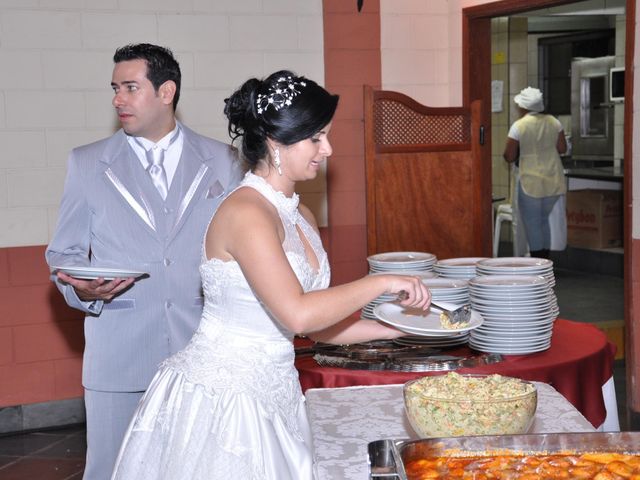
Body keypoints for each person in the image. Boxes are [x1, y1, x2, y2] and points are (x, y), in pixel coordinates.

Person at [110, 70, 431, 480]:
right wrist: (381, 282)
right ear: (277, 143)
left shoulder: (300, 215)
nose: (328, 149)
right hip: (227, 400)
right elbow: (297, 315)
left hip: (277, 390)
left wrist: (402, 328)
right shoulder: (246, 212)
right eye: (316, 137)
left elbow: (318, 328)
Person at [45, 43, 243, 480]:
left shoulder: (223, 161)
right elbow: (63, 253)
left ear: (166, 91)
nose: (118, 99)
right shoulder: (86, 163)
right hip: (120, 353)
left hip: (203, 350)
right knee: (113, 470)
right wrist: (80, 288)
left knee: (203, 468)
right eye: (116, 88)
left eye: (131, 87)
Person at [503, 86, 568, 259]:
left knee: (533, 224)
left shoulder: (518, 126)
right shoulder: (554, 122)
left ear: (523, 107)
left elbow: (509, 156)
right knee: (543, 221)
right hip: (553, 180)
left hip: (529, 182)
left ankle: (538, 263)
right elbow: (562, 149)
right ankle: (546, 262)